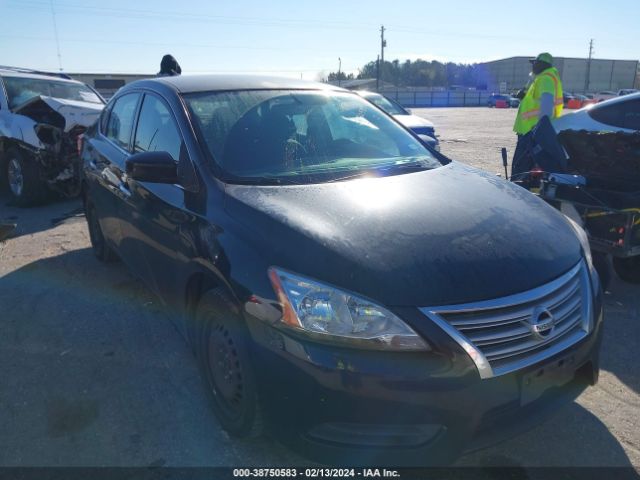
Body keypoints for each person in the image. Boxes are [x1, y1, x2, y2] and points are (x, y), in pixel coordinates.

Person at [511, 52, 563, 179]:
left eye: (534, 63)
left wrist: (537, 132)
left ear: (541, 64)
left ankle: (518, 193)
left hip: (532, 132)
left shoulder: (546, 79)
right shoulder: (542, 78)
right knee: (526, 169)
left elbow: (546, 107)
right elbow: (537, 102)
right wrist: (524, 97)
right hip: (531, 131)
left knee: (521, 169)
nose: (532, 66)